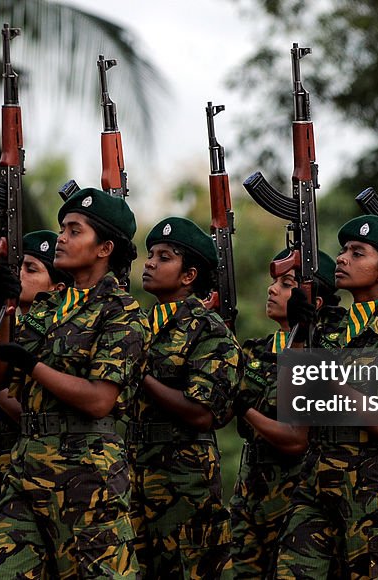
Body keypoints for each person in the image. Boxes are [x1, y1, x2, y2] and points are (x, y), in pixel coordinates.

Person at [0, 188, 148, 578]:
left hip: (87, 474)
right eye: (62, 229)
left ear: (104, 248)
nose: (61, 239)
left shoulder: (123, 313)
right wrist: (5, 309)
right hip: (27, 467)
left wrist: (31, 364)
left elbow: (100, 400)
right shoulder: (47, 307)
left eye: (74, 231)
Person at [274, 215, 378, 578]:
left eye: (357, 253)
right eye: (344, 250)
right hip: (316, 483)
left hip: (375, 491)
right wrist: (297, 337)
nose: (342, 258)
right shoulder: (329, 326)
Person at [128, 216, 242, 577]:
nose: (149, 263)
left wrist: (141, 375)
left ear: (188, 275)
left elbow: (200, 413)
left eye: (164, 257)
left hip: (184, 478)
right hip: (132, 470)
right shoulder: (134, 324)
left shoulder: (209, 330)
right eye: (150, 255)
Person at [227, 249, 337, 578]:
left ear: (313, 302)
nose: (272, 289)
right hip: (251, 496)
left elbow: (295, 439)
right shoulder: (255, 350)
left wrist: (243, 406)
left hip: (299, 499)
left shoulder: (327, 352)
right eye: (274, 282)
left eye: (286, 283)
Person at [0, 230, 72, 521]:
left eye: (31, 269)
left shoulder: (59, 333)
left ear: (56, 288)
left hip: (43, 467)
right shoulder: (7, 324)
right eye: (18, 267)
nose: (20, 274)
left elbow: (31, 411)